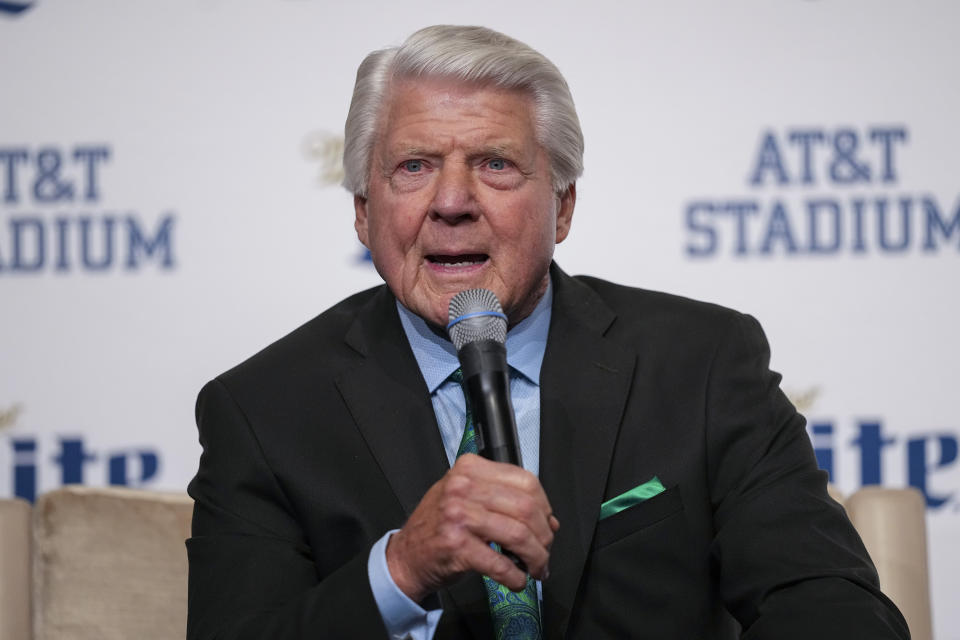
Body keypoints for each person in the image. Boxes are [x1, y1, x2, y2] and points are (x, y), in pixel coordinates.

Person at [186, 25, 909, 639]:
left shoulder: (702, 364)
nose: (452, 202)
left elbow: (825, 601)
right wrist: (402, 567)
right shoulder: (264, 410)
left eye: (495, 165)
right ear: (362, 212)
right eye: (414, 167)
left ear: (562, 208)